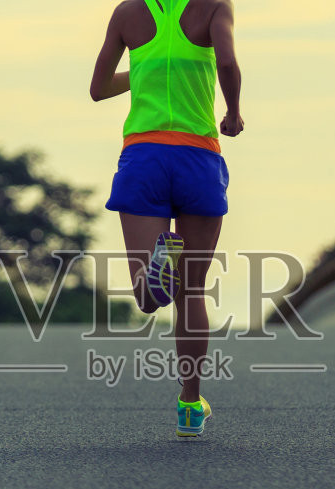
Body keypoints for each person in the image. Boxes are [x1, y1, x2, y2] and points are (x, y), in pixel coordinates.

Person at [89, 0, 242, 438]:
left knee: (149, 297)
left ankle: (154, 273)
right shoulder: (215, 7)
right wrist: (232, 111)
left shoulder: (128, 13)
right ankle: (190, 405)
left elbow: (98, 88)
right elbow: (228, 61)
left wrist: (142, 70)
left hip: (145, 156)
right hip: (198, 156)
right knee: (192, 290)